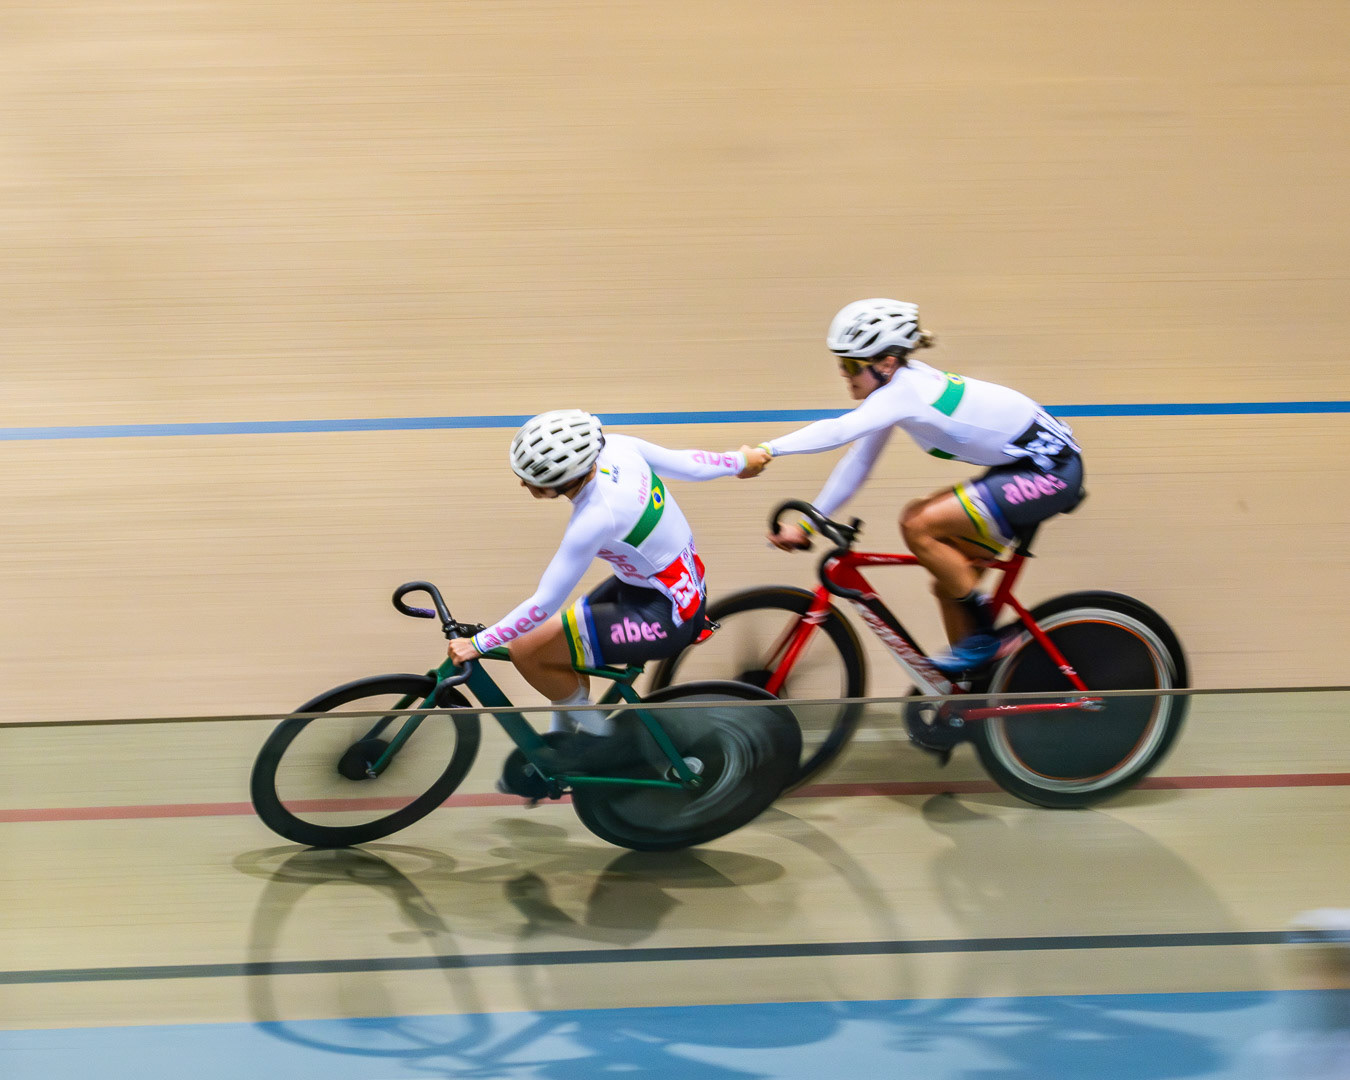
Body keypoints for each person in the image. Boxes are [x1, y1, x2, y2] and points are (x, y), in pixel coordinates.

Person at [739, 298, 1085, 675]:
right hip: (1022, 468)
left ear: (886, 363)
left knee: (917, 523)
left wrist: (766, 450)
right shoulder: (897, 391)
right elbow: (857, 462)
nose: (843, 372)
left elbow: (839, 430)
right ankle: (968, 693)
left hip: (1051, 472)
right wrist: (810, 523)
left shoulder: (905, 391)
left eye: (852, 363)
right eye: (840, 362)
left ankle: (987, 638)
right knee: (950, 584)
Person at [447, 408, 759, 783]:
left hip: (663, 615)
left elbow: (544, 602)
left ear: (558, 483)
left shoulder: (595, 519)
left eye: (529, 480)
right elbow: (687, 464)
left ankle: (605, 743)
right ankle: (564, 739)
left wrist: (479, 643)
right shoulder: (618, 448)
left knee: (527, 653)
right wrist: (740, 461)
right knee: (551, 649)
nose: (522, 486)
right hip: (657, 587)